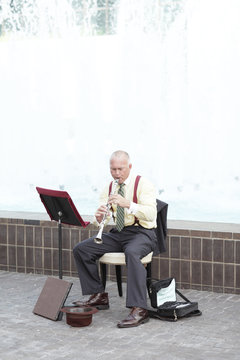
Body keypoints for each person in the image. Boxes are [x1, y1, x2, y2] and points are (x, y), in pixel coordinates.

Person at [73, 150, 157, 328]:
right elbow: (105, 216)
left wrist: (128, 204)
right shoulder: (110, 186)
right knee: (82, 249)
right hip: (119, 232)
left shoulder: (143, 184)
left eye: (121, 169)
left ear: (130, 167)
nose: (117, 173)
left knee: (132, 252)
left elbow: (151, 214)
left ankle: (139, 308)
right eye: (113, 169)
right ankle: (98, 296)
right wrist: (99, 217)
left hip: (143, 232)